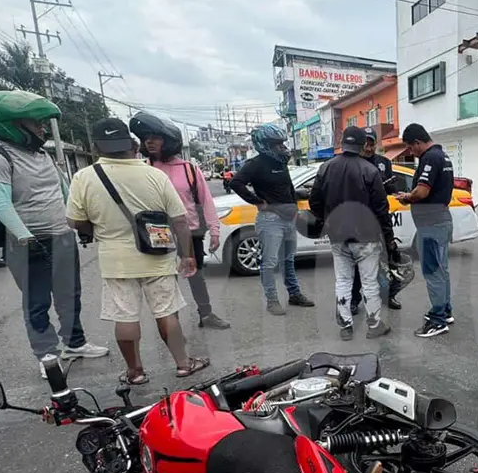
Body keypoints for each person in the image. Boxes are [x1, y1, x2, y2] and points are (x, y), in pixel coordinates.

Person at [0, 90, 109, 379]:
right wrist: (25, 237)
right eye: (35, 123)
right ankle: (47, 354)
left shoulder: (41, 154)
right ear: (11, 124)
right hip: (27, 241)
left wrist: (78, 223)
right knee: (37, 302)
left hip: (61, 236)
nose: (41, 128)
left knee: (69, 295)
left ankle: (75, 343)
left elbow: (62, 191)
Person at [67, 118, 209, 384]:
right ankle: (182, 364)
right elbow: (179, 219)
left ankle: (135, 372)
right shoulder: (154, 175)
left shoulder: (84, 178)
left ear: (96, 147)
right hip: (157, 255)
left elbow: (75, 220)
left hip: (116, 260)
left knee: (125, 316)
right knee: (167, 312)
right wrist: (187, 255)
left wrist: (98, 227)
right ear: (133, 145)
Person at [131, 112, 230, 330]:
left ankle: (206, 314)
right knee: (165, 282)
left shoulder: (189, 169)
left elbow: (206, 200)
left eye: (155, 137)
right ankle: (171, 326)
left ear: (168, 141)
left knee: (197, 277)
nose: (149, 141)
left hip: (191, 233)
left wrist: (214, 231)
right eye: (146, 137)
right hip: (158, 235)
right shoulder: (143, 169)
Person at [308, 126, 395, 341]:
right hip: (366, 236)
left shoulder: (325, 168)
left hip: (337, 235)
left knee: (343, 281)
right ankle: (374, 325)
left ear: (342, 142)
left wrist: (327, 219)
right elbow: (381, 208)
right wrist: (389, 236)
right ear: (360, 144)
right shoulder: (369, 170)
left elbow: (314, 202)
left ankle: (346, 326)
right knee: (369, 282)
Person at [229, 123, 314, 315]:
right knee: (269, 262)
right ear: (265, 145)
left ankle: (294, 294)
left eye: (282, 144)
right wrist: (258, 202)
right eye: (277, 144)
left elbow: (289, 187)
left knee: (288, 259)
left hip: (288, 218)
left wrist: (294, 207)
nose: (282, 148)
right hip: (270, 220)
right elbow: (236, 183)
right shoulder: (256, 164)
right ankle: (272, 300)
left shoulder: (280, 163)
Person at [397, 124, 454, 338]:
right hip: (440, 220)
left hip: (431, 225)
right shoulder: (443, 156)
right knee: (442, 270)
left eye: (411, 148)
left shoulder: (430, 158)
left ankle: (438, 320)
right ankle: (445, 311)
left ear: (418, 142)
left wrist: (407, 197)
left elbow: (421, 191)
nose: (412, 152)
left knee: (433, 272)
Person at [350, 127, 402, 313]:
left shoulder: (384, 162)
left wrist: (389, 185)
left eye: (372, 144)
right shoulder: (352, 163)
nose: (369, 148)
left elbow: (391, 188)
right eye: (365, 144)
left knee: (386, 261)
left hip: (381, 218)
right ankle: (354, 299)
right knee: (358, 263)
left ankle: (388, 296)